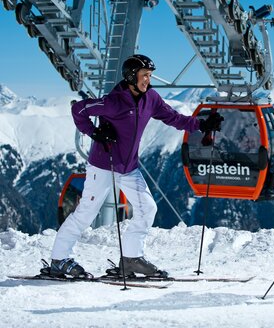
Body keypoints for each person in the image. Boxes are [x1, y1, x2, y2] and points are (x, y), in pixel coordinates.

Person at [50, 54, 223, 278]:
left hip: (129, 167)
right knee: (86, 213)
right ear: (132, 76)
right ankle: (59, 260)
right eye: (144, 76)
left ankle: (131, 259)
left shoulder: (150, 98)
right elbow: (79, 110)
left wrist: (201, 124)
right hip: (103, 165)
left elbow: (173, 117)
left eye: (149, 76)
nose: (147, 81)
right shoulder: (113, 101)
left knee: (148, 208)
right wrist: (94, 132)